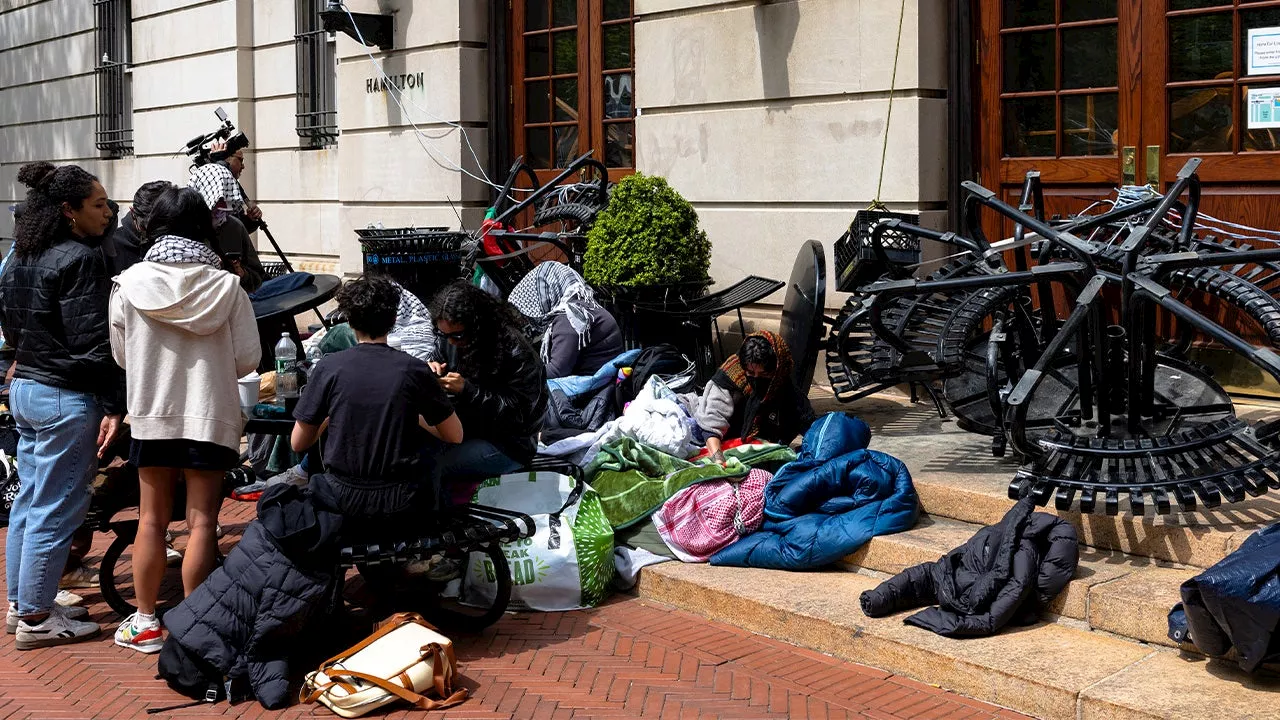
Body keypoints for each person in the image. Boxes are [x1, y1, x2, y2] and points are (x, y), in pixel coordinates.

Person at [108, 186, 261, 653]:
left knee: (151, 520)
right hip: (210, 416)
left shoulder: (128, 285)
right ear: (204, 226)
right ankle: (196, 624)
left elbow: (121, 357)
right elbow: (247, 359)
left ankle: (146, 621)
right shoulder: (228, 288)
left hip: (152, 416)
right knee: (202, 524)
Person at [1, 161, 124, 649]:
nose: (109, 212)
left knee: (31, 501)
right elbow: (93, 342)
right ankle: (35, 615)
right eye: (98, 204)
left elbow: (12, 327)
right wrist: (115, 403)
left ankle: (23, 605)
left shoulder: (19, 255)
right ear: (69, 211)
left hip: (28, 390)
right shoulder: (77, 258)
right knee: (55, 507)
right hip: (62, 397)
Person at [291, 276, 462, 522]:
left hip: (342, 504)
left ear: (349, 321)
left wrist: (329, 419)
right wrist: (414, 417)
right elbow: (454, 435)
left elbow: (298, 443)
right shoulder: (414, 369)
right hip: (403, 504)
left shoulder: (329, 367)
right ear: (393, 321)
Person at [429, 281, 547, 504]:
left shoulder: (514, 351)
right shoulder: (449, 342)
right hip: (467, 430)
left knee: (433, 465)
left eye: (458, 336)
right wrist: (432, 368)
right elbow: (438, 356)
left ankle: (442, 527)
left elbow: (522, 417)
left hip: (509, 445)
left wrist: (469, 391)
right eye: (443, 335)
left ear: (477, 326)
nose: (452, 342)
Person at [685, 331, 815, 464]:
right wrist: (719, 460)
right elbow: (711, 425)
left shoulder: (785, 388)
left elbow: (811, 426)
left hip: (764, 448)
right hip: (725, 442)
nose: (757, 379)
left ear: (777, 370)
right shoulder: (730, 376)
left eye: (764, 374)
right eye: (751, 373)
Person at [508, 261, 624, 379]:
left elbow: (557, 371)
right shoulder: (583, 305)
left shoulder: (568, 317)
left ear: (547, 294)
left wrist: (518, 377)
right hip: (603, 379)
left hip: (591, 385)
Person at [188, 162, 265, 292]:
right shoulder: (183, 230)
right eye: (217, 201)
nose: (221, 208)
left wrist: (242, 273)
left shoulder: (235, 227)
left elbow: (258, 278)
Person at [101, 180, 175, 277]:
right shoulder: (109, 247)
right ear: (133, 212)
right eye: (147, 228)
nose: (156, 235)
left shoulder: (175, 242)